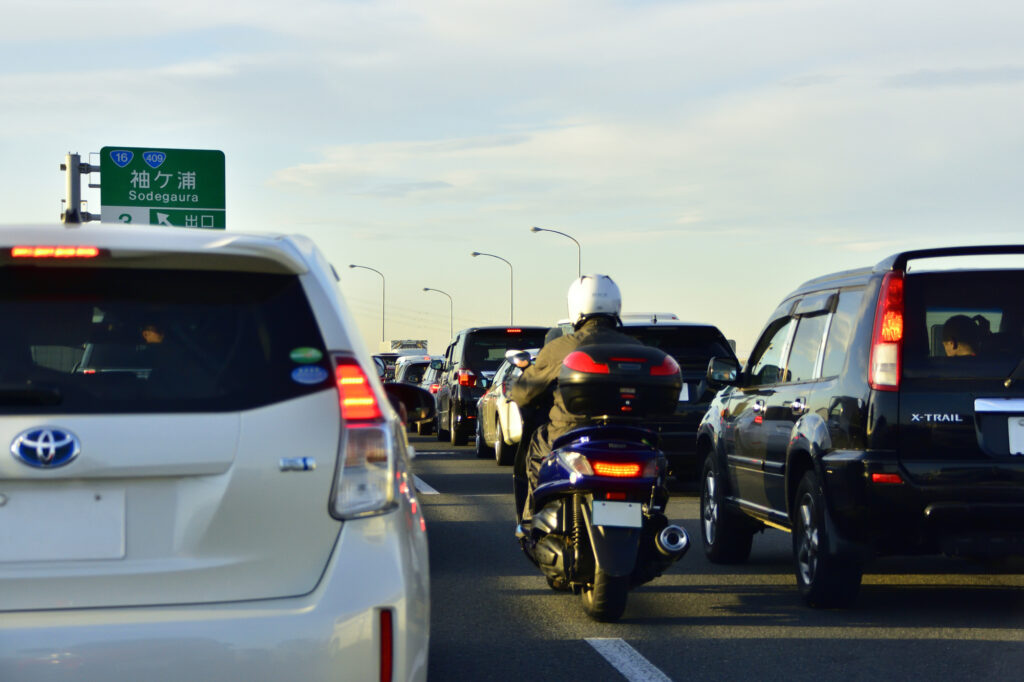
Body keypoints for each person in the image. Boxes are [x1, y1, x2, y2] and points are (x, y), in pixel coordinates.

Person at [510, 274, 643, 520]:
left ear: (576, 306)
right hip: (628, 435)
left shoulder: (562, 347)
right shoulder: (635, 347)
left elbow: (524, 392)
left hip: (570, 434)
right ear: (616, 305)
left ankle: (532, 518)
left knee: (537, 446)